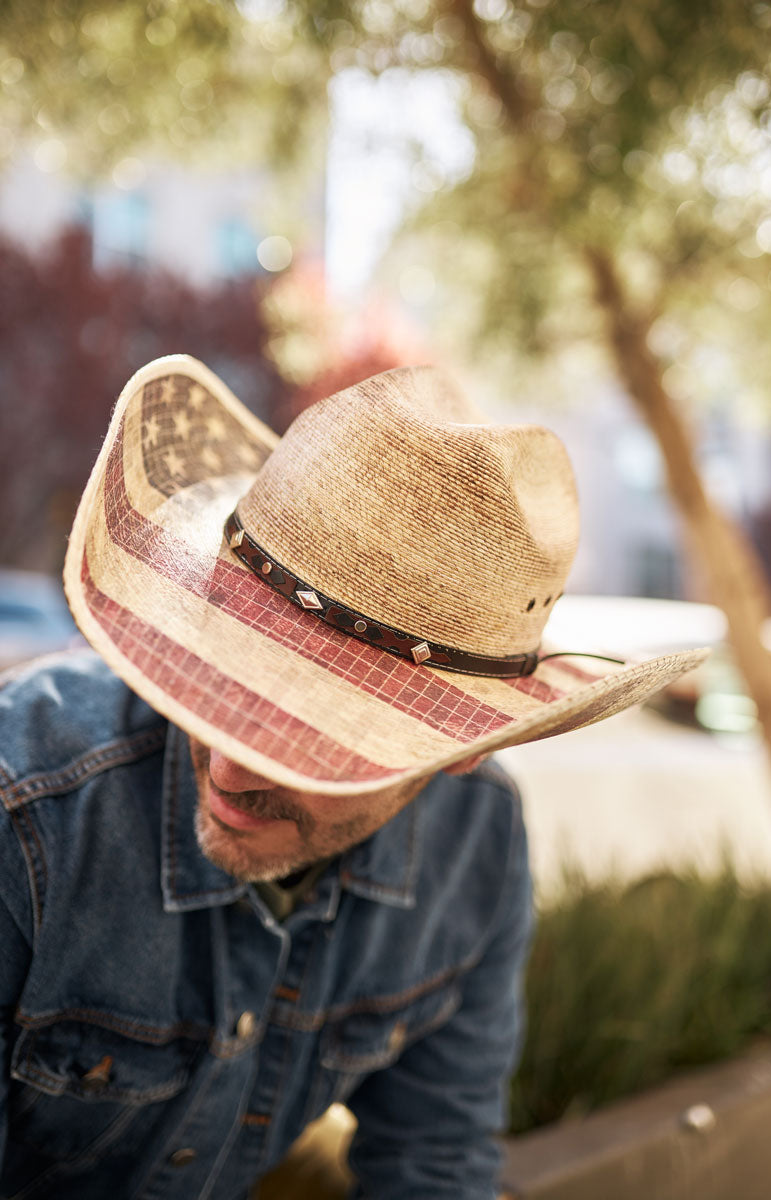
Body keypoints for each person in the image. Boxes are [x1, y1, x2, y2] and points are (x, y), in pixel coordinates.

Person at [0, 357, 705, 1199]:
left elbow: (434, 1160)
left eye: (310, 740)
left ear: (463, 750)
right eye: (214, 677)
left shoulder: (475, 845)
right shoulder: (28, 808)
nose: (226, 762)